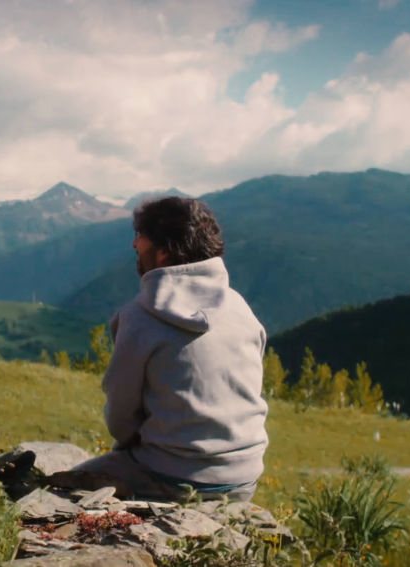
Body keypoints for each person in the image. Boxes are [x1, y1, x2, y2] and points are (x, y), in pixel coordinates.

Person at [64, 197, 268, 501]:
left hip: (170, 478)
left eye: (140, 236)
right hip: (243, 480)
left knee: (59, 489)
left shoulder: (138, 318)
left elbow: (121, 419)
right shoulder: (240, 307)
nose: (134, 245)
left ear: (163, 252)